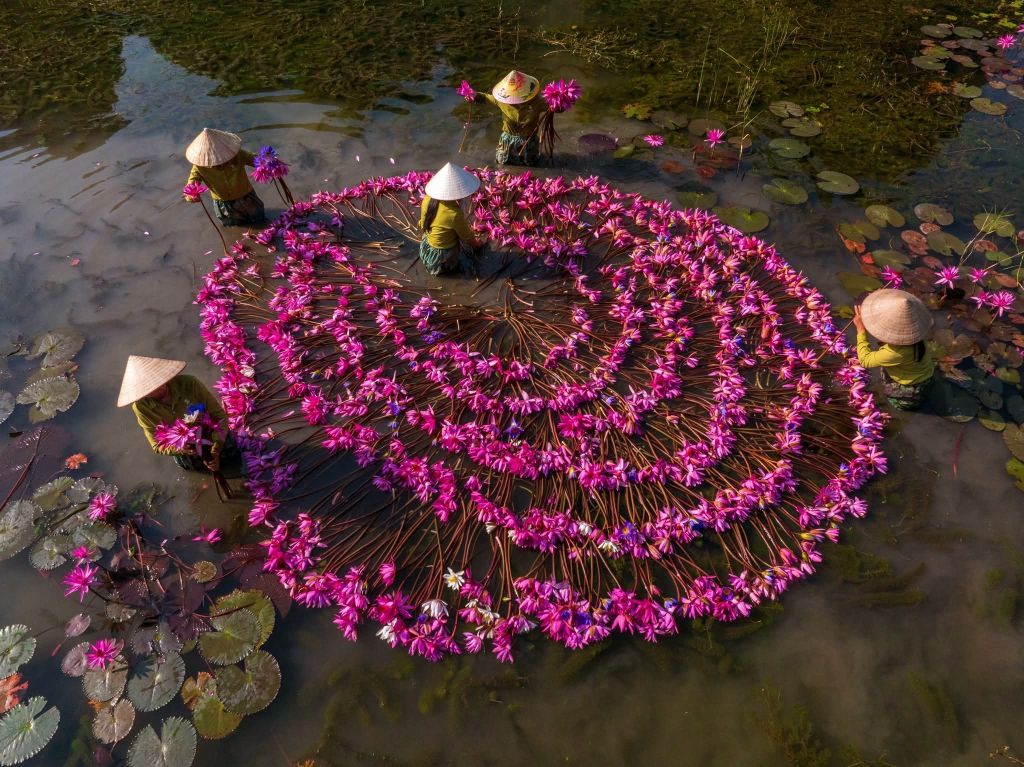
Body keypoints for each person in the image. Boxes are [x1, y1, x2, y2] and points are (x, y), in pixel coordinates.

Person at [117, 355, 235, 472]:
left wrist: (215, 450)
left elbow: (220, 417)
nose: (157, 391)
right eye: (149, 390)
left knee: (233, 458)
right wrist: (182, 449)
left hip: (214, 436)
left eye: (159, 383)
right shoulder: (141, 407)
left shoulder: (190, 383)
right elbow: (157, 445)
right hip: (185, 450)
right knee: (198, 472)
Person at [853, 289, 935, 410]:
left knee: (898, 404)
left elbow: (865, 361)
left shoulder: (894, 353)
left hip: (911, 386)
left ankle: (903, 405)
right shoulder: (916, 333)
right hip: (925, 372)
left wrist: (861, 331)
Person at [184, 128, 267, 226]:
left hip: (247, 197)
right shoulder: (199, 167)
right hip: (224, 204)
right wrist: (190, 196)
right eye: (213, 160)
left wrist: (268, 163)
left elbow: (255, 160)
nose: (219, 161)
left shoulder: (238, 155)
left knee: (260, 220)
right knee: (234, 226)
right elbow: (191, 184)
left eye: (222, 158)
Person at [418, 162, 484, 277]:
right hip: (441, 256)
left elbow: (422, 223)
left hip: (427, 244)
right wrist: (478, 245)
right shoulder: (454, 213)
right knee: (453, 268)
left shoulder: (427, 199)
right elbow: (467, 237)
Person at [472, 70, 546, 166]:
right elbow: (486, 98)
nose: (513, 101)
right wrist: (473, 95)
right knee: (502, 163)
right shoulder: (503, 101)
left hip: (528, 140)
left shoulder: (537, 102)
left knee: (530, 164)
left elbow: (555, 108)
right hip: (508, 140)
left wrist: (561, 102)